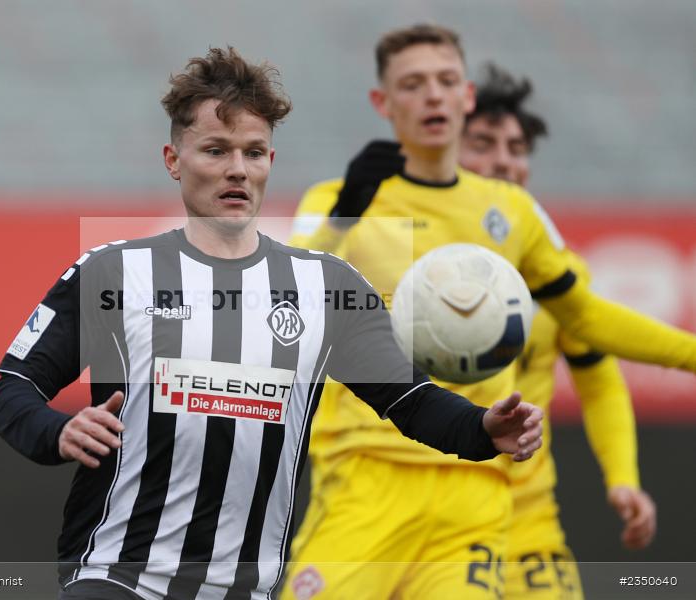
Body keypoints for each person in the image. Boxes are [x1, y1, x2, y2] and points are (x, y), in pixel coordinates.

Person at [0, 46, 544, 600]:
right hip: (117, 579)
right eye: (215, 150)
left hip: (243, 590)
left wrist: (480, 429)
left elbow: (411, 401)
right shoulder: (115, 271)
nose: (237, 169)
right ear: (173, 159)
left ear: (270, 163)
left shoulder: (328, 287)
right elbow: (12, 391)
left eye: (254, 152)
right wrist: (57, 431)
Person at [284, 24, 695, 600]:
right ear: (384, 102)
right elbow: (284, 294)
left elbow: (587, 319)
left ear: (466, 96)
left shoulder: (513, 213)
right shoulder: (339, 198)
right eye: (413, 83)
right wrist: (348, 215)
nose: (432, 95)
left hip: (477, 479)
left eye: (446, 80)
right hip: (367, 477)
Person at [458, 63, 656, 599]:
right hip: (432, 525)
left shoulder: (560, 271)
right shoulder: (398, 256)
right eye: (482, 142)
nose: (503, 159)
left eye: (516, 148)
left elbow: (599, 380)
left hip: (528, 524)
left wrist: (622, 477)